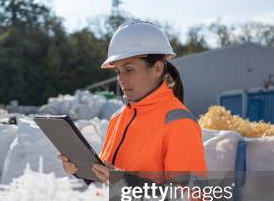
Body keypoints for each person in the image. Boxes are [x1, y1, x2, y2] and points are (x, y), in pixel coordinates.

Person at [59, 20, 207, 182]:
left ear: (157, 69)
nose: (121, 79)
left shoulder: (180, 123)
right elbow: (107, 182)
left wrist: (125, 183)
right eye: (118, 71)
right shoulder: (118, 118)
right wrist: (82, 170)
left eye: (129, 69)